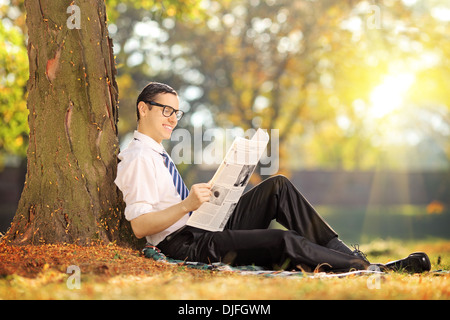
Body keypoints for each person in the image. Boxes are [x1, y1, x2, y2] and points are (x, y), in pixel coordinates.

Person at [114, 82, 431, 273]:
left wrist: (208, 199)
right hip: (185, 246)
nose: (172, 118)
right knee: (283, 241)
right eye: (165, 110)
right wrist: (187, 205)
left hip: (200, 226)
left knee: (277, 187)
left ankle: (350, 258)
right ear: (143, 109)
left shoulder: (157, 152)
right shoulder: (138, 157)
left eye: (176, 112)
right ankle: (368, 270)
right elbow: (140, 227)